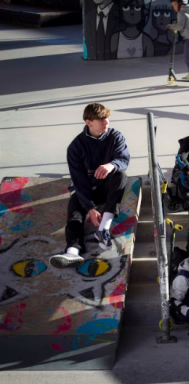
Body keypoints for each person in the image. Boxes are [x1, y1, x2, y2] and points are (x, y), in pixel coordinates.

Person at [49, 103, 130, 268]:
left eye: (107, 118)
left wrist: (111, 165)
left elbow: (123, 159)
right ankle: (72, 251)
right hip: (87, 189)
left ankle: (103, 228)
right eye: (101, 120)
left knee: (121, 175)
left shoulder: (115, 136)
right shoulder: (75, 147)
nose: (106, 123)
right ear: (89, 122)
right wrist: (91, 208)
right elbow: (79, 181)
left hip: (107, 187)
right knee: (74, 212)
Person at [167, 0, 189, 80]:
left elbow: (180, 26)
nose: (174, 7)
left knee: (187, 56)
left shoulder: (181, 13)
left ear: (180, 4)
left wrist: (171, 26)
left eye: (175, 5)